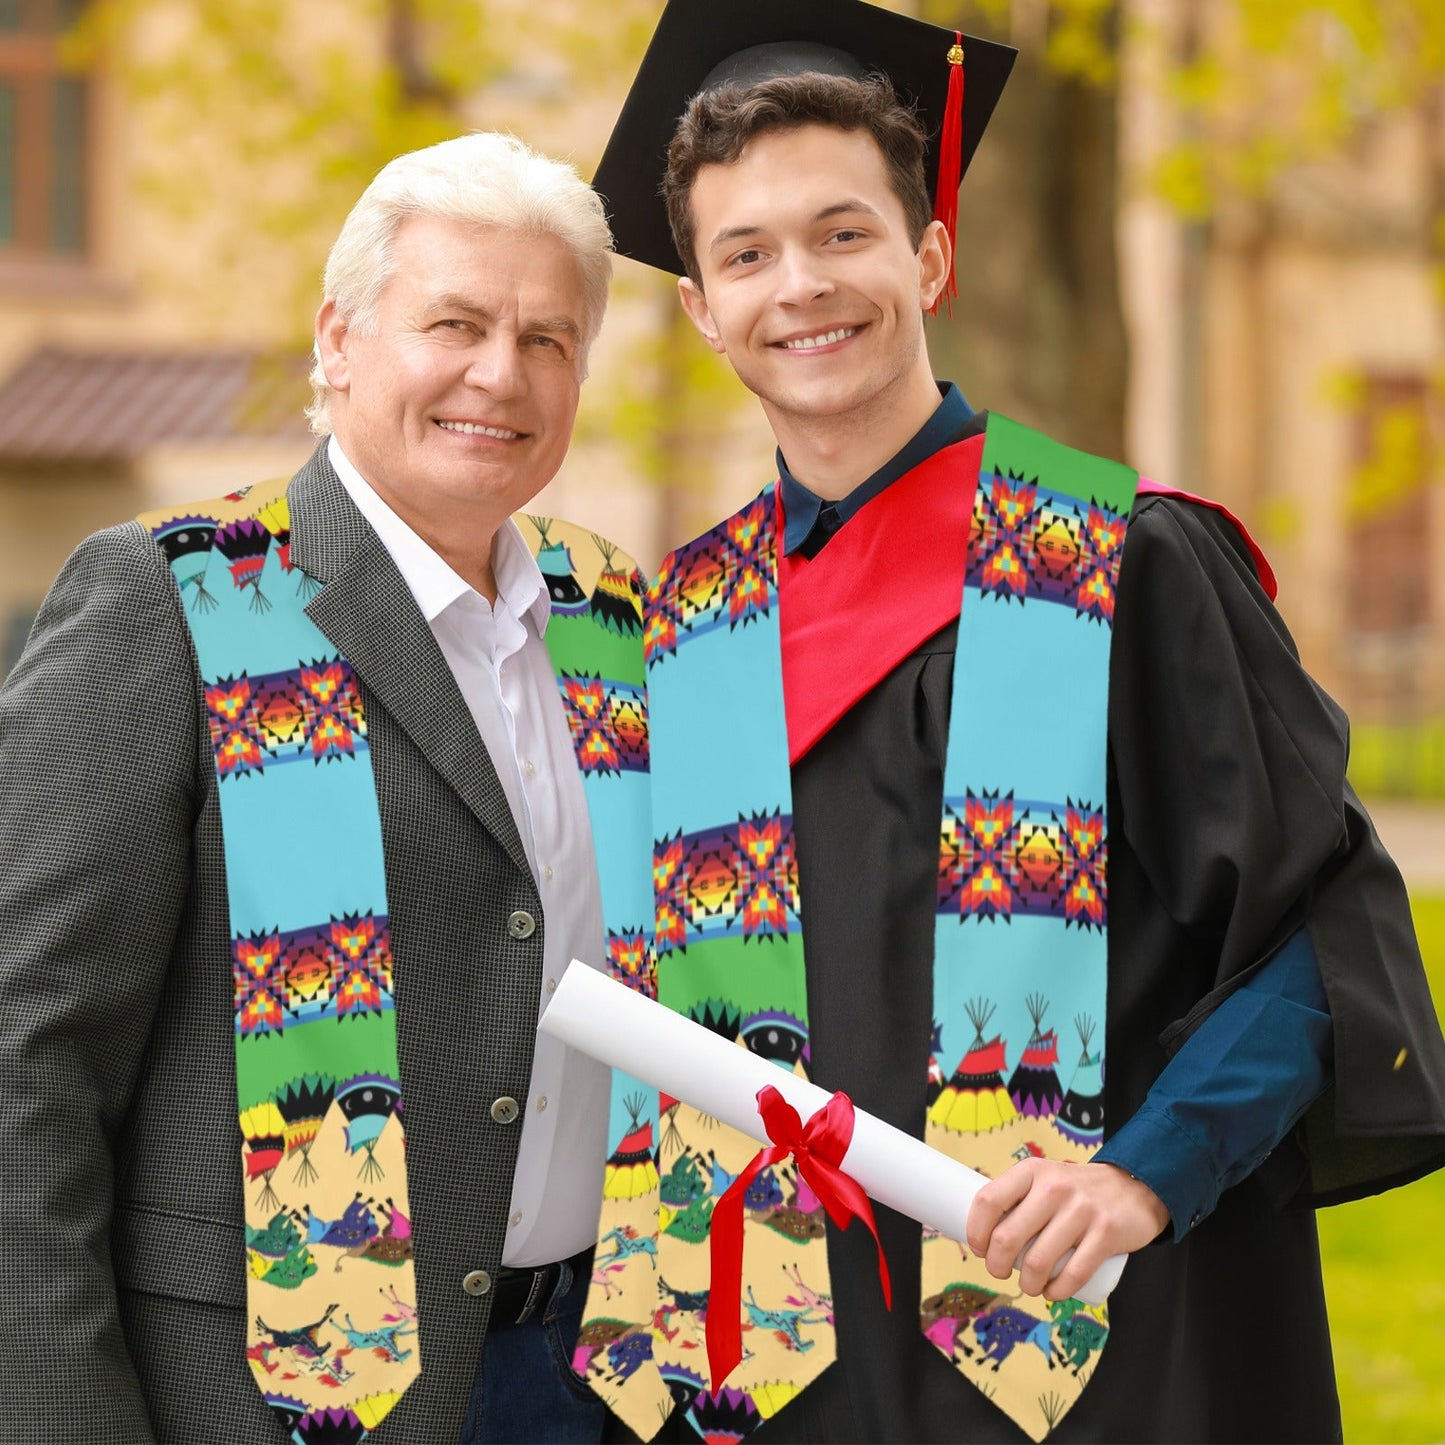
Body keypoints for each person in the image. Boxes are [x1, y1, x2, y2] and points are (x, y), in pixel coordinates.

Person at [574, 1, 1445, 1441]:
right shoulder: (683, 633)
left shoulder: (1118, 563)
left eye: (843, 232)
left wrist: (1144, 1173)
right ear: (702, 310)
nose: (801, 284)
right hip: (780, 1373)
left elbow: (1320, 933)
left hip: (1091, 1348)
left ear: (929, 256)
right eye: (746, 254)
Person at [0, 132, 646, 1445]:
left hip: (592, 1379)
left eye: (547, 339)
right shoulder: (179, 597)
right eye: (454, 323)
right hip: (268, 1396)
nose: (500, 373)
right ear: (338, 339)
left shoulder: (612, 615)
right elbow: (28, 1058)